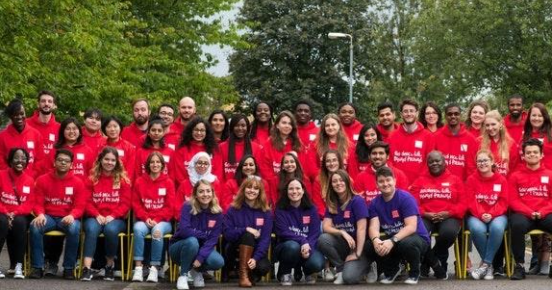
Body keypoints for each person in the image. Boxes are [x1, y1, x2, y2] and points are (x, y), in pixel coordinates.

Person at [361, 167, 430, 285]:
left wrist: (392, 241)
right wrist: (376, 240)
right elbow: (373, 227)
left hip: (416, 238)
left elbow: (411, 227)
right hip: (395, 239)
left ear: (394, 180)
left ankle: (414, 273)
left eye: (388, 180)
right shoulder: (374, 203)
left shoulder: (405, 198)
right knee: (369, 245)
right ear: (376, 184)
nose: (385, 184)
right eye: (381, 181)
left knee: (407, 243)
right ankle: (391, 271)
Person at [29, 149, 88, 279]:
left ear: (71, 165)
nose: (63, 163)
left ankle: (68, 268)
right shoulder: (42, 180)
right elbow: (37, 202)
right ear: (54, 162)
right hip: (48, 216)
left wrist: (72, 215)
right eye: (60, 160)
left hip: (67, 217)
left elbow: (80, 205)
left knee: (74, 228)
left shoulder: (78, 182)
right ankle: (37, 267)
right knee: (35, 226)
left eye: (66, 161)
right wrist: (40, 214)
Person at [409, 151, 465, 279]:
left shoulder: (455, 180)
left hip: (449, 216)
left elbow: (463, 203)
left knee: (448, 233)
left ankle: (428, 261)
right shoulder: (420, 180)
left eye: (437, 160)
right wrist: (425, 213)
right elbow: (412, 204)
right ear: (427, 164)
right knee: (418, 232)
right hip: (426, 216)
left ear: (444, 162)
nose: (434, 163)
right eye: (431, 161)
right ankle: (437, 264)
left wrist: (449, 213)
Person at [80, 147, 131, 281]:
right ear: (100, 160)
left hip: (115, 218)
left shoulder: (123, 180)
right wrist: (97, 214)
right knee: (91, 229)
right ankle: (87, 268)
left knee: (111, 230)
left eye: (113, 160)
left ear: (117, 162)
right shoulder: (91, 179)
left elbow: (126, 204)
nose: (109, 162)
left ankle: (109, 266)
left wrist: (113, 216)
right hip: (94, 216)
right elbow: (85, 201)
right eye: (106, 159)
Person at [508, 138, 552, 280]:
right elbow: (513, 200)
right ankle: (519, 266)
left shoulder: (550, 174)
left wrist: (542, 212)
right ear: (523, 156)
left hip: (545, 213)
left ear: (541, 155)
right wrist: (529, 212)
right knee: (517, 225)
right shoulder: (515, 176)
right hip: (524, 214)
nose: (532, 155)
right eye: (528, 153)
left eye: (535, 152)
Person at [170, 180, 225, 290]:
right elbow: (184, 231)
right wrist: (204, 235)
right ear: (195, 194)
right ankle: (183, 275)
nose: (205, 194)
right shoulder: (187, 206)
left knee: (218, 262)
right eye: (201, 191)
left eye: (208, 191)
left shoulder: (217, 213)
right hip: (180, 248)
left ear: (213, 193)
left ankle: (196, 271)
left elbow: (212, 240)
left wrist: (200, 258)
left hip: (201, 248)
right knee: (192, 241)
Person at [317, 170, 368, 285]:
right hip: (344, 245)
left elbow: (361, 229)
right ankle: (340, 269)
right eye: (334, 181)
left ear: (347, 182)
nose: (338, 183)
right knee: (323, 239)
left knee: (350, 278)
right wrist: (342, 232)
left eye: (341, 180)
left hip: (360, 246)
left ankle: (368, 266)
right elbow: (325, 227)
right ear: (331, 185)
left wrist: (357, 253)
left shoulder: (357, 201)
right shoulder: (332, 202)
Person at [131, 151, 175, 283]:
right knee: (138, 229)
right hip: (144, 219)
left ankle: (154, 268)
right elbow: (136, 203)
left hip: (162, 221)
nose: (155, 164)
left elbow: (170, 207)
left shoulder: (168, 182)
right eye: (152, 162)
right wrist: (145, 218)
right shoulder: (139, 181)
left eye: (157, 162)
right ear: (147, 165)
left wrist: (156, 219)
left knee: (157, 231)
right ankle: (138, 268)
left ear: (162, 165)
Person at [466, 150, 508, 280]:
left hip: (498, 214)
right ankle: (489, 266)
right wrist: (481, 213)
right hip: (477, 214)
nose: (482, 163)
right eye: (479, 161)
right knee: (477, 229)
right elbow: (470, 200)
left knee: (497, 228)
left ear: (492, 162)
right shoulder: (471, 179)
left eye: (485, 160)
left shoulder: (501, 180)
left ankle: (485, 264)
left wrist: (491, 213)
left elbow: (504, 201)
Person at [223, 177, 273, 287]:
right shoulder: (232, 209)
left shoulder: (266, 212)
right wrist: (245, 229)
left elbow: (265, 239)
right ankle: (243, 275)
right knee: (248, 235)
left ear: (260, 192)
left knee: (263, 267)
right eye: (249, 187)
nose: (252, 190)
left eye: (256, 188)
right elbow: (227, 234)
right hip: (234, 249)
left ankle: (251, 273)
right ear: (243, 189)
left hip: (256, 251)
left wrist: (255, 258)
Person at [274, 179, 324, 285]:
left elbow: (314, 233)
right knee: (293, 247)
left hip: (307, 245)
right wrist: (302, 241)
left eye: (297, 188)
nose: (294, 191)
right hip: (287, 246)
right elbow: (282, 232)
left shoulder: (312, 209)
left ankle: (308, 271)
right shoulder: (280, 208)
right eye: (291, 189)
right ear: (286, 192)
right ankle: (285, 272)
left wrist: (308, 246)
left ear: (303, 191)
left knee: (317, 263)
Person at [0, 148, 35, 279]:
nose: (20, 161)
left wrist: (14, 214)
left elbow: (29, 204)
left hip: (18, 213)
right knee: (2, 222)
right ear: (10, 160)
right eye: (16, 158)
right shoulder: (1, 175)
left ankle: (19, 265)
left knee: (20, 223)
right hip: (2, 212)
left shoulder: (30, 180)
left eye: (24, 158)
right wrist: (6, 213)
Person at [388, 99, 435, 184]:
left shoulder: (428, 136)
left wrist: (418, 182)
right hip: (397, 186)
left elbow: (428, 164)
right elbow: (390, 162)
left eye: (411, 111)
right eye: (405, 111)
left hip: (420, 185)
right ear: (401, 114)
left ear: (417, 113)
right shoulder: (392, 136)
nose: (409, 114)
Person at [259, 111, 308, 186]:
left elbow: (303, 167)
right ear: (277, 125)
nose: (287, 126)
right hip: (275, 186)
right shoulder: (268, 144)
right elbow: (264, 169)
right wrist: (277, 182)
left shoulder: (299, 145)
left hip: (295, 186)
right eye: (284, 123)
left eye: (290, 124)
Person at [170, 117, 223, 186]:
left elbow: (217, 173)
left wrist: (206, 190)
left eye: (202, 130)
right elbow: (179, 173)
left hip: (208, 192)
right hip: (187, 190)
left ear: (206, 132)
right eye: (196, 130)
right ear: (191, 131)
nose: (199, 133)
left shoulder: (214, 149)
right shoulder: (182, 148)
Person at [432, 104, 478, 180]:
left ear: (460, 115)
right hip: (441, 186)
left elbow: (471, 166)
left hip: (463, 185)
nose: (453, 116)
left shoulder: (470, 138)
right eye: (450, 114)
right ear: (445, 116)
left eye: (456, 114)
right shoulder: (436, 137)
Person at [0, 99, 44, 176]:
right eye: (16, 114)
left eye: (22, 113)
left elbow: (40, 160)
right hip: (9, 180)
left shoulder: (36, 134)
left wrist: (32, 176)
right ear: (11, 116)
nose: (20, 117)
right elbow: (1, 161)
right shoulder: (2, 136)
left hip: (30, 181)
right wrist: (9, 175)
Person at [175, 152, 222, 218]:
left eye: (206, 163)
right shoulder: (184, 184)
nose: (202, 166)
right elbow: (178, 208)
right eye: (199, 163)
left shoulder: (215, 182)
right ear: (194, 164)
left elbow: (217, 204)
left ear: (209, 166)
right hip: (188, 219)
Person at [219, 114, 261, 181]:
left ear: (248, 127)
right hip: (228, 189)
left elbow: (258, 172)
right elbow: (219, 174)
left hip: (249, 188)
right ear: (232, 127)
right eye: (237, 125)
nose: (240, 128)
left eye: (243, 125)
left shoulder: (256, 148)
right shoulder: (221, 147)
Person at [479, 110, 519, 176]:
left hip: (504, 183)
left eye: (493, 124)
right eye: (487, 125)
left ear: (500, 124)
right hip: (484, 183)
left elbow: (514, 169)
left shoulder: (511, 143)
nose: (490, 128)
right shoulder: (479, 142)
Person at [99, 115, 136, 181]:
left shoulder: (129, 147)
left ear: (120, 128)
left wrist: (122, 182)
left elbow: (130, 171)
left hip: (122, 183)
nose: (112, 129)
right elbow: (97, 167)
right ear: (104, 129)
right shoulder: (101, 147)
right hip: (103, 183)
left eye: (115, 126)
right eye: (109, 127)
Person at [311, 150, 345, 218]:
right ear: (324, 164)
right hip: (326, 218)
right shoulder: (318, 181)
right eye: (328, 161)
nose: (331, 163)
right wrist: (329, 218)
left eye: (334, 160)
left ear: (339, 162)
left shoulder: (347, 179)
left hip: (345, 218)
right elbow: (318, 205)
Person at [26, 90, 61, 156]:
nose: (46, 104)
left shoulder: (60, 128)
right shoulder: (26, 124)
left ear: (54, 105)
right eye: (43, 101)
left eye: (49, 101)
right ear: (38, 104)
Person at [522, 103, 552, 170]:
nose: (536, 118)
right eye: (534, 115)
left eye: (540, 116)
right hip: (528, 177)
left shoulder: (550, 134)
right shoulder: (524, 136)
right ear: (529, 117)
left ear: (545, 117)